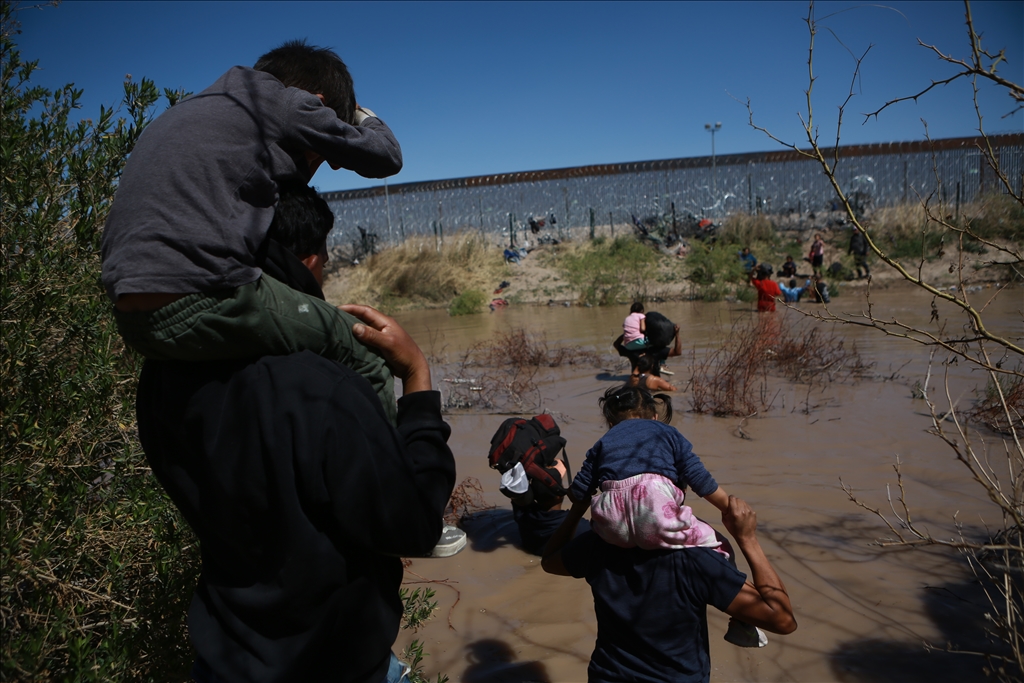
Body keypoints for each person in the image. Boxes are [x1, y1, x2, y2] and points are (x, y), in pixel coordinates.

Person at [137, 299, 455, 683]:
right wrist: (416, 374)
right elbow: (416, 526)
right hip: (340, 669)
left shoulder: (160, 377)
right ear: (308, 260)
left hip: (223, 665)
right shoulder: (321, 389)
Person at [102, 40, 403, 422]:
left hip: (130, 317)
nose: (319, 166)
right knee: (367, 357)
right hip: (199, 294)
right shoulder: (282, 102)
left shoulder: (197, 110)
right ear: (317, 104)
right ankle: (388, 479)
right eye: (317, 151)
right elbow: (386, 157)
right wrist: (361, 117)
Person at [567, 384, 765, 648]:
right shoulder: (667, 432)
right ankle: (742, 622)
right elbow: (701, 481)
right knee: (721, 548)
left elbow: (579, 492)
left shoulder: (602, 443)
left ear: (611, 422)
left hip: (610, 520)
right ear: (654, 416)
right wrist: (729, 510)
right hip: (655, 508)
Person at [541, 494, 796, 682]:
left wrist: (577, 508)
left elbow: (550, 560)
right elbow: (782, 620)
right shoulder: (696, 560)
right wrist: (748, 539)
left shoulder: (596, 547)